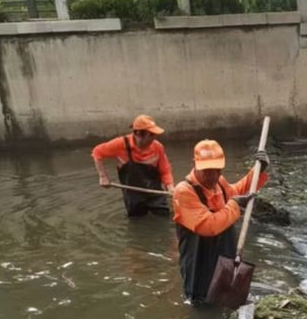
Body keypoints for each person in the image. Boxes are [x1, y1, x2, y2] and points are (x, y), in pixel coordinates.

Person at [172, 139, 270, 304]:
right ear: (195, 164)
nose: (213, 176)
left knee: (224, 301)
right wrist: (235, 205)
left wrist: (258, 171)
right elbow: (208, 226)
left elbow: (237, 192)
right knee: (199, 304)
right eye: (207, 171)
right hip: (199, 265)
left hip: (223, 261)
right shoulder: (184, 192)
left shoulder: (220, 184)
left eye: (217, 170)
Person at [92, 114, 174, 218]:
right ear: (138, 134)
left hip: (154, 192)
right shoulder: (120, 144)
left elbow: (165, 170)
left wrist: (170, 188)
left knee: (163, 217)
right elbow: (97, 152)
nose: (154, 138)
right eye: (151, 135)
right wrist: (103, 176)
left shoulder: (158, 147)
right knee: (137, 221)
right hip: (132, 195)